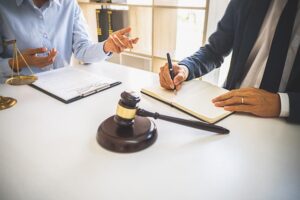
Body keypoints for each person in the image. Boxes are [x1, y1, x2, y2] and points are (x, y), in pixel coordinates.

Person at [159, 0, 300, 123]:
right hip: (229, 109)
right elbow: (214, 51)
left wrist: (281, 104)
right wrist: (185, 68)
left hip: (286, 125)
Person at [0, 0, 138, 76]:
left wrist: (106, 46)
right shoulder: (3, 7)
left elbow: (82, 50)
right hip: (17, 96)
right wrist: (18, 63)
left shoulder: (70, 4)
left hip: (63, 91)